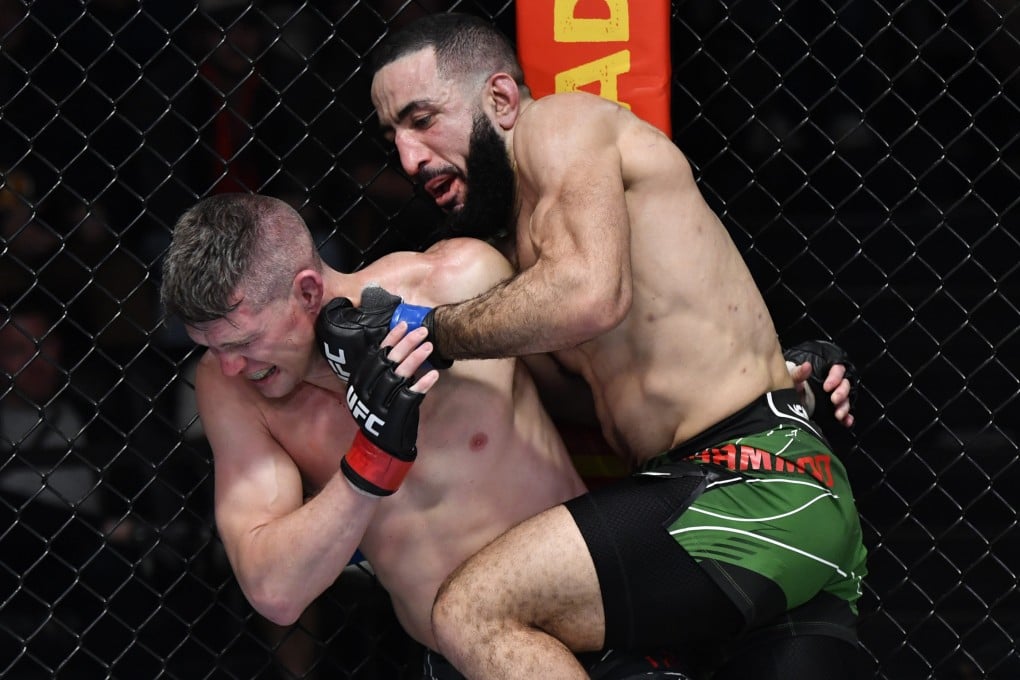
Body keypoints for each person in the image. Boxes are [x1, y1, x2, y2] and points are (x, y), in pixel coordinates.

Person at [329, 12, 869, 679]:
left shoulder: (561, 125)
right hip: (779, 493)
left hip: (745, 482)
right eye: (394, 138)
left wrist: (434, 333)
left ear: (500, 99)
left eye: (422, 119)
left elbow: (591, 295)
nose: (410, 160)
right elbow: (601, 383)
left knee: (470, 611)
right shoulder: (525, 253)